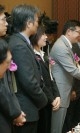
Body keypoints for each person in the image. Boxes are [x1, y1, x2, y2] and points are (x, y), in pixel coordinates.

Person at [8, 4, 48, 133]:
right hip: (25, 108)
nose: (38, 24)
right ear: (29, 23)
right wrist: (44, 100)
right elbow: (28, 81)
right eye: (36, 21)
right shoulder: (19, 45)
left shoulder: (23, 42)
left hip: (29, 106)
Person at [30, 25, 61, 133]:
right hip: (42, 101)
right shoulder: (33, 56)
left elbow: (52, 78)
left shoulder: (44, 56)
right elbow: (40, 82)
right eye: (43, 34)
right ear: (35, 36)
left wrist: (57, 95)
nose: (46, 37)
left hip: (49, 100)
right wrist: (51, 99)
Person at [63, 21, 80, 132]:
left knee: (79, 116)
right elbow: (70, 70)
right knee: (70, 117)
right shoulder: (70, 47)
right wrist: (72, 89)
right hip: (74, 88)